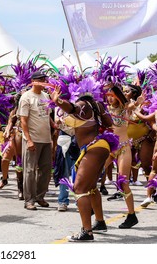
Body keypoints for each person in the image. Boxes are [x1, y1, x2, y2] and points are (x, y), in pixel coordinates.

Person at [50, 77, 116, 242]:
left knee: (79, 188)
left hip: (92, 149)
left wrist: (57, 101)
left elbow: (71, 108)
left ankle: (87, 231)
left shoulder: (82, 105)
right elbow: (109, 123)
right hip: (100, 146)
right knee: (91, 187)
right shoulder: (97, 106)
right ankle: (99, 222)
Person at [17, 71, 53, 210]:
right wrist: (29, 140)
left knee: (46, 169)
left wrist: (53, 125)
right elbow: (23, 120)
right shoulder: (26, 97)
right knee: (30, 170)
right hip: (32, 139)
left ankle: (40, 196)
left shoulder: (45, 96)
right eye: (40, 80)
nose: (43, 82)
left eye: (44, 79)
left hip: (46, 139)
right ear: (33, 81)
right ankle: (29, 199)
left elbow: (47, 115)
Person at [104, 85, 138, 228]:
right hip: (109, 148)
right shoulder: (104, 109)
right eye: (108, 95)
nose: (110, 98)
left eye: (112, 95)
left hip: (123, 148)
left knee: (123, 183)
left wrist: (137, 102)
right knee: (94, 175)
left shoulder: (125, 107)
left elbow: (131, 105)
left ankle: (131, 215)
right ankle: (95, 212)